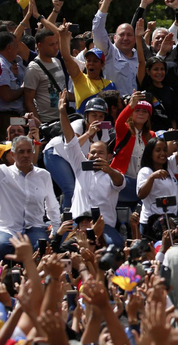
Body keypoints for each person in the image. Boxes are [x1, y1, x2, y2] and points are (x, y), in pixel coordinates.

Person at [0, 121, 59, 261]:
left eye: (29, 151)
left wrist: (56, 230)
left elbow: (51, 205)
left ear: (33, 152)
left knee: (42, 248)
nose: (26, 155)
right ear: (13, 154)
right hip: (7, 228)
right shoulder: (3, 172)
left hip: (34, 228)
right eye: (21, 152)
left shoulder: (43, 175)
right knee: (0, 246)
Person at [55, 90, 125, 248]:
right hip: (78, 224)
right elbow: (71, 141)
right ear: (87, 155)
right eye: (92, 153)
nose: (96, 155)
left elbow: (120, 182)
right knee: (63, 249)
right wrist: (62, 112)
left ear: (109, 158)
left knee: (115, 247)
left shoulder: (113, 174)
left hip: (104, 225)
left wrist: (108, 170)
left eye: (101, 153)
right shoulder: (81, 167)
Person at [136, 109, 178, 236]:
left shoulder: (169, 164)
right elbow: (141, 195)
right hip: (152, 222)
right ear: (150, 152)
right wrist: (152, 177)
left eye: (164, 150)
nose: (162, 153)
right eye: (158, 150)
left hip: (171, 218)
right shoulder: (146, 171)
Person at [44, 20, 115, 114]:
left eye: (95, 61)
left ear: (102, 65)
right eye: (88, 60)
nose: (91, 63)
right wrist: (62, 36)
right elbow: (66, 58)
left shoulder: (110, 85)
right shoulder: (79, 78)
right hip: (83, 125)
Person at [110, 92, 155, 204]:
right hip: (122, 181)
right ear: (131, 113)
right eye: (137, 110)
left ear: (149, 116)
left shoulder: (151, 135)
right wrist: (130, 106)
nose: (141, 113)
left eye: (145, 111)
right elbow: (119, 122)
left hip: (141, 183)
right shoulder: (124, 130)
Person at [135, 19, 177, 132]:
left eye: (162, 69)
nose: (159, 72)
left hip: (167, 135)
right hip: (147, 134)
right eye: (156, 69)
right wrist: (138, 38)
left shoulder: (170, 90)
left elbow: (173, 117)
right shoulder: (144, 85)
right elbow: (141, 61)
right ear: (148, 71)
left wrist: (176, 136)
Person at [93, 0, 141, 94]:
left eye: (129, 35)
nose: (125, 38)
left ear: (135, 38)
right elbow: (98, 30)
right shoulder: (109, 53)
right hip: (115, 106)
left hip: (137, 106)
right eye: (121, 35)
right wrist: (106, 3)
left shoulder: (140, 57)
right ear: (114, 38)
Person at [22, 28, 68, 123]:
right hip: (48, 122)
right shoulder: (33, 69)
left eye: (56, 43)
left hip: (64, 118)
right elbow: (28, 101)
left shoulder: (57, 61)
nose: (56, 47)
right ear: (40, 45)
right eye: (51, 44)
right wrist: (39, 125)